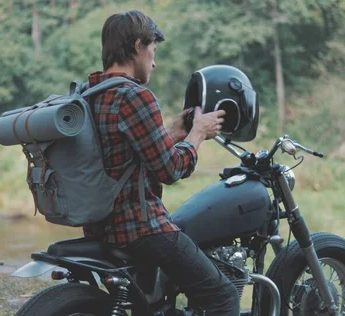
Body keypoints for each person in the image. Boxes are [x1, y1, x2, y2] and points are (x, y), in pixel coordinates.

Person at [82, 10, 240, 315]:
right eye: (153, 52)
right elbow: (170, 170)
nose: (154, 63)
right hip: (139, 228)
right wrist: (198, 134)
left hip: (100, 225)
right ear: (139, 45)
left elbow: (122, 153)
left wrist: (172, 133)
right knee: (223, 295)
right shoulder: (136, 96)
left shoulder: (93, 93)